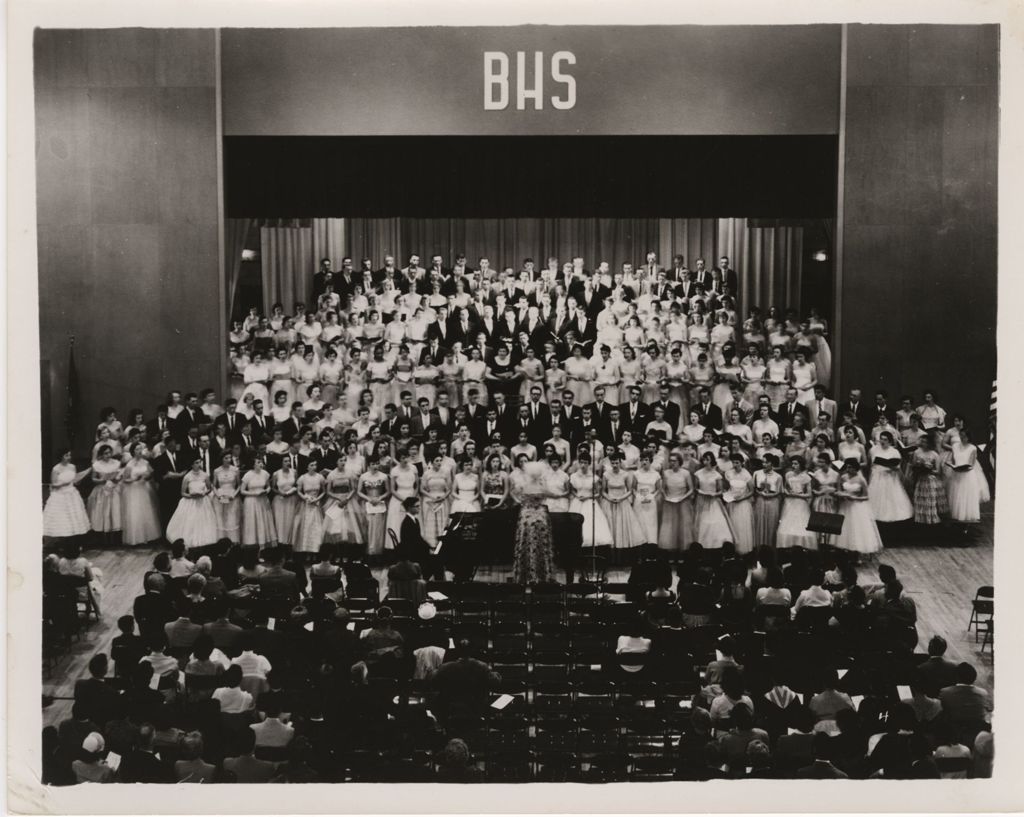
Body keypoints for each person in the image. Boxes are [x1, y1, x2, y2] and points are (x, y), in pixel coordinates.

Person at [513, 461, 555, 583]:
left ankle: (526, 575)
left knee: (527, 543)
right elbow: (551, 495)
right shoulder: (541, 486)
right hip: (539, 517)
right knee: (540, 544)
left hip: (526, 516)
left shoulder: (524, 485)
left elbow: (515, 493)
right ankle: (542, 575)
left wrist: (523, 501)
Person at [166, 458, 220, 548]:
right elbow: (182, 493)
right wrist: (192, 496)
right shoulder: (187, 477)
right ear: (191, 465)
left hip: (203, 502)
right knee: (191, 522)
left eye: (199, 462)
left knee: (204, 522)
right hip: (191, 502)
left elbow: (209, 488)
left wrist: (203, 493)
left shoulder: (205, 475)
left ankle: (204, 543)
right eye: (196, 463)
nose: (198, 464)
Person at [835, 459, 884, 555]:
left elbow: (866, 496)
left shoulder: (861, 479)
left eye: (851, 468)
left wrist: (854, 498)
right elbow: (839, 490)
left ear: (856, 469)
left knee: (856, 528)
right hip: (845, 506)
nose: (848, 469)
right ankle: (846, 550)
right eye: (847, 467)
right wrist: (842, 495)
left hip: (856, 507)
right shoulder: (843, 477)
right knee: (845, 528)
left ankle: (856, 552)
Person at [120, 443, 162, 546]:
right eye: (137, 449)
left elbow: (151, 474)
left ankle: (149, 536)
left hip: (144, 489)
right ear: (133, 451)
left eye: (140, 449)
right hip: (134, 490)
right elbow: (125, 479)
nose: (139, 451)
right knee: (135, 512)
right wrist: (134, 479)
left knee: (147, 511)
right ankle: (137, 538)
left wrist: (147, 477)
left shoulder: (146, 462)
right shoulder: (129, 464)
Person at [568, 455, 613, 549]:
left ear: (589, 464)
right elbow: (571, 490)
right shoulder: (573, 476)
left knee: (590, 525)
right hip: (577, 502)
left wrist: (588, 497)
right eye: (581, 462)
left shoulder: (594, 477)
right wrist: (577, 496)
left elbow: (598, 494)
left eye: (585, 463)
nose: (583, 465)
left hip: (589, 502)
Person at [867, 431, 913, 523]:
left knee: (890, 497)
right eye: (881, 439)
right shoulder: (873, 450)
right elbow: (871, 464)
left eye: (885, 439)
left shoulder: (894, 452)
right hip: (877, 476)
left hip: (890, 476)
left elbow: (897, 467)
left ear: (890, 441)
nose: (882, 441)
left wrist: (890, 466)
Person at [693, 453, 735, 550]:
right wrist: (701, 492)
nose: (705, 462)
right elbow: (696, 488)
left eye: (707, 460)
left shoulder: (717, 475)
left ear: (712, 461)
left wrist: (714, 495)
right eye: (704, 460)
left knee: (715, 523)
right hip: (701, 500)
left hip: (713, 501)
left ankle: (715, 546)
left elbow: (720, 490)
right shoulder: (698, 473)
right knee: (702, 523)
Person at [776, 457, 818, 550]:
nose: (793, 466)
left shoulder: (806, 477)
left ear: (801, 465)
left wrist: (798, 495)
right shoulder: (788, 475)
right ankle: (789, 547)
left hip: (800, 503)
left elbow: (809, 494)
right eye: (792, 464)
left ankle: (800, 547)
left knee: (800, 525)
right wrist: (787, 492)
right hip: (789, 502)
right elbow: (785, 488)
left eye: (796, 464)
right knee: (788, 524)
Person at [87, 445, 123, 543]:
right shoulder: (97, 465)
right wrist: (102, 480)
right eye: (105, 453)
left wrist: (116, 479)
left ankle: (115, 539)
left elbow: (120, 476)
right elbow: (93, 478)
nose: (108, 455)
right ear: (101, 455)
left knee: (115, 511)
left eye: (109, 453)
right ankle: (103, 539)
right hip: (102, 489)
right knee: (103, 512)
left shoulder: (116, 463)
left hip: (114, 488)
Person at [722, 454, 755, 554]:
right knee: (732, 526)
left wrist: (741, 498)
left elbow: (751, 491)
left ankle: (742, 551)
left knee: (741, 527)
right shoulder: (729, 473)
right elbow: (726, 488)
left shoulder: (746, 475)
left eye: (737, 462)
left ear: (742, 463)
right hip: (732, 502)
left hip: (743, 504)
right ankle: (731, 551)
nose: (735, 464)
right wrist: (728, 495)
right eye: (733, 462)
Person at [240, 457, 277, 548]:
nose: (261, 464)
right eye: (258, 462)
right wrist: (254, 493)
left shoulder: (265, 474)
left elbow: (268, 486)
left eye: (261, 462)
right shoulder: (248, 475)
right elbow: (242, 491)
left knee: (263, 522)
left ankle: (263, 548)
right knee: (253, 523)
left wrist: (266, 491)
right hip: (251, 502)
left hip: (263, 501)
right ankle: (253, 547)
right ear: (253, 464)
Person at [752, 454, 783, 548]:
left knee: (771, 524)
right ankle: (758, 548)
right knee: (759, 523)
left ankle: (770, 548)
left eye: (766, 462)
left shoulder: (778, 476)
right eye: (763, 462)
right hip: (760, 501)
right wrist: (760, 493)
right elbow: (753, 488)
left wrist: (770, 495)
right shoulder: (756, 473)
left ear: (772, 463)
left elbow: (778, 491)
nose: (764, 464)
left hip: (772, 502)